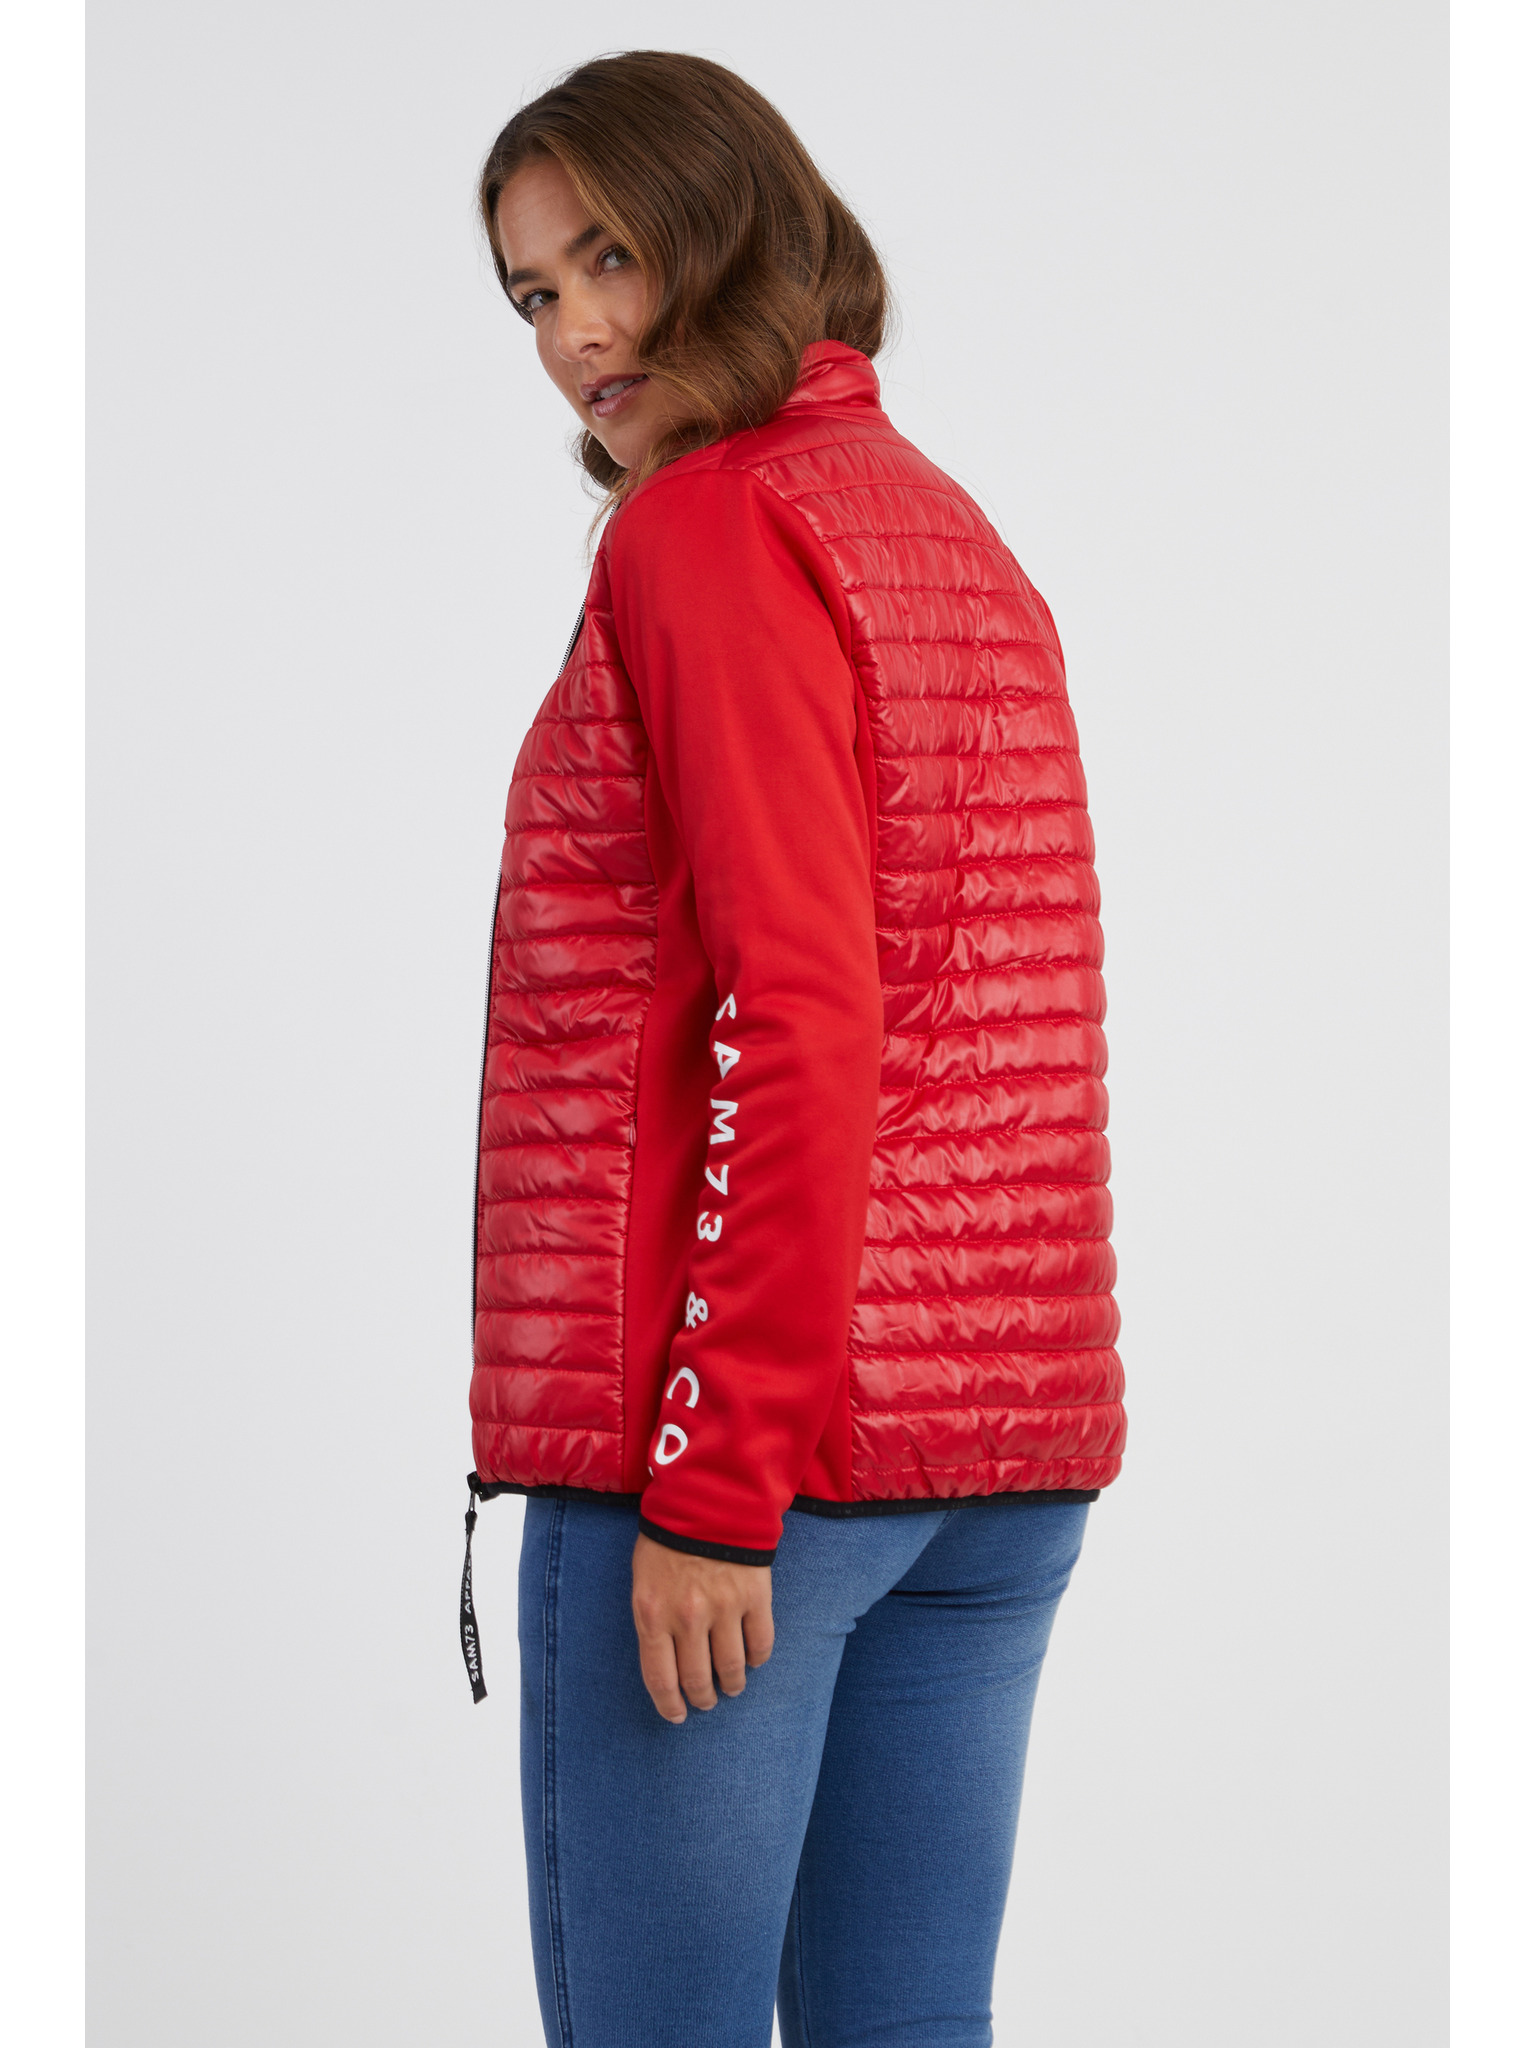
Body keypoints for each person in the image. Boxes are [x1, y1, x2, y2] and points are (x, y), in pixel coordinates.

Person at [462, 50, 1126, 2048]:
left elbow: (805, 1007)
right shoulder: (945, 532)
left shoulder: (707, 530)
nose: (573, 331)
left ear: (731, 228)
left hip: (754, 1473)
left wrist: (712, 1480)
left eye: (608, 256)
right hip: (996, 1454)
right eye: (531, 291)